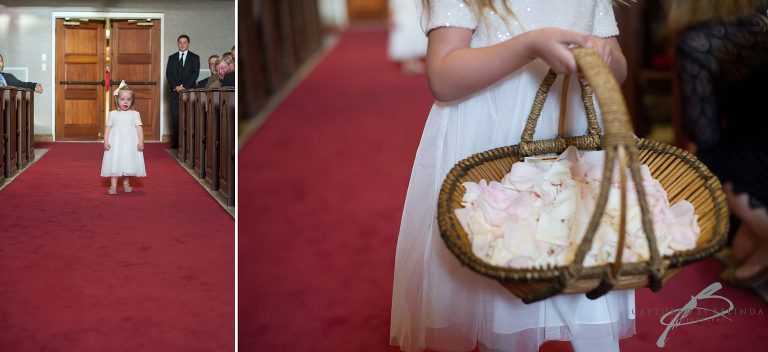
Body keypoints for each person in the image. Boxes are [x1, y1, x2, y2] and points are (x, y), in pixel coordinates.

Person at [389, 1, 630, 352]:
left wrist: (607, 58)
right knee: (503, 273)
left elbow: (619, 68)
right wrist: (528, 45)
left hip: (572, 131)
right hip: (493, 133)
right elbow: (442, 76)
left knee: (579, 255)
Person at [668, 0, 768, 288]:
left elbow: (702, 134)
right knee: (742, 252)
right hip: (758, 142)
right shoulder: (761, 21)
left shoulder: (696, 43)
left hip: (753, 152)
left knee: (705, 159)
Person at [101, 81, 147, 195]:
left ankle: (126, 183)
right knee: (115, 161)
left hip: (129, 143)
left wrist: (141, 141)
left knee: (127, 161)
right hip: (115, 143)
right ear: (117, 100)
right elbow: (108, 128)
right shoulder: (112, 114)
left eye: (129, 99)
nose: (125, 102)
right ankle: (113, 186)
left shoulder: (135, 114)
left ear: (132, 101)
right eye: (122, 99)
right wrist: (105, 140)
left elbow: (139, 128)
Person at [165, 34, 200, 148]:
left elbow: (195, 75)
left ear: (188, 44)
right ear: (177, 44)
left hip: (189, 92)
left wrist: (185, 87)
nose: (182, 44)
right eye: (180, 42)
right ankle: (176, 144)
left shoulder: (195, 57)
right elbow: (168, 74)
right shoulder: (172, 57)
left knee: (189, 118)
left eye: (184, 42)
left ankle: (188, 144)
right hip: (175, 93)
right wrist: (176, 87)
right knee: (175, 119)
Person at [387, 0, 428, 75]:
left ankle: (414, 61)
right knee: (406, 38)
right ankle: (407, 63)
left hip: (416, 16)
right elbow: (393, 5)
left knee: (415, 38)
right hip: (403, 18)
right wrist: (392, 18)